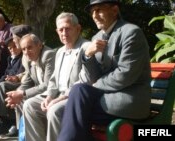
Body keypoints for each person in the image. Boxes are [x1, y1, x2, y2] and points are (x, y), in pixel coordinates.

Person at [57, 0, 151, 141]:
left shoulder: (131, 33)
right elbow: (95, 76)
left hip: (129, 100)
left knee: (75, 106)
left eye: (99, 9)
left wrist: (96, 85)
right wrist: (88, 56)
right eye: (92, 11)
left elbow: (125, 75)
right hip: (106, 97)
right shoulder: (97, 37)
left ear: (114, 10)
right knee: (77, 92)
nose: (95, 15)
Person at [23, 12, 91, 141]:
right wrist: (49, 97)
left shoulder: (86, 47)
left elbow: (85, 80)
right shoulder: (59, 51)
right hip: (57, 95)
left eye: (68, 28)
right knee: (29, 105)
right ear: (57, 31)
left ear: (78, 28)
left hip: (74, 96)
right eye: (61, 29)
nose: (64, 33)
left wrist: (58, 99)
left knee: (54, 110)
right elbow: (53, 80)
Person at [0, 24, 34, 138]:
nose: (12, 40)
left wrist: (19, 79)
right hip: (24, 80)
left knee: (4, 87)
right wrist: (17, 77)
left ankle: (7, 122)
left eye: (14, 37)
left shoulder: (29, 50)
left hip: (33, 84)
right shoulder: (22, 52)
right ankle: (3, 121)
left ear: (21, 38)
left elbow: (32, 72)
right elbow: (27, 72)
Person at [5, 33, 56, 138]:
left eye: (29, 47)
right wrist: (16, 94)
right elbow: (27, 81)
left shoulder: (48, 55)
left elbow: (48, 84)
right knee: (19, 99)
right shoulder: (27, 58)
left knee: (27, 101)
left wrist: (22, 93)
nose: (26, 52)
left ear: (39, 45)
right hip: (41, 93)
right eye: (23, 49)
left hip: (54, 93)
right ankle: (23, 135)